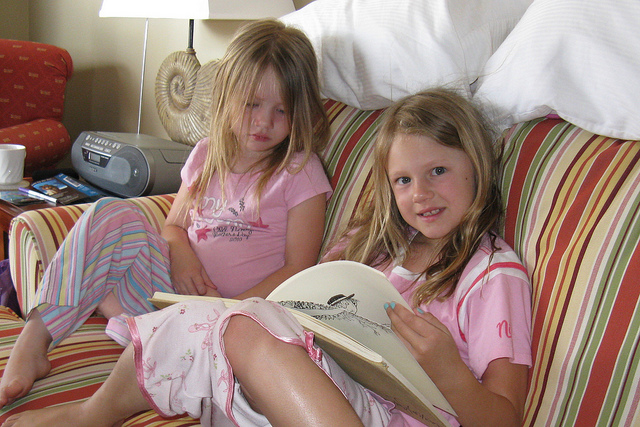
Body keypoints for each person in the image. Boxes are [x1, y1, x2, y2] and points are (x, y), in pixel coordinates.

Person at [1, 88, 532, 427]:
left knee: (240, 325)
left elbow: (505, 417)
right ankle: (90, 414)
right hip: (314, 388)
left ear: (477, 165)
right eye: (403, 180)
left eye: (438, 171)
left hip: (387, 414)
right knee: (197, 324)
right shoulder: (375, 251)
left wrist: (449, 372)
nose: (421, 194)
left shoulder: (491, 274)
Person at [0, 18, 333, 411]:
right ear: (225, 97)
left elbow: (298, 269)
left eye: (281, 110)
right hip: (173, 291)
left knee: (159, 308)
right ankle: (37, 337)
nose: (263, 121)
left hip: (236, 317)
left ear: (301, 111)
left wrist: (229, 311)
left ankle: (141, 332)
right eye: (251, 104)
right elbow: (173, 226)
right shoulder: (207, 154)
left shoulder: (300, 171)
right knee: (111, 213)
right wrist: (183, 254)